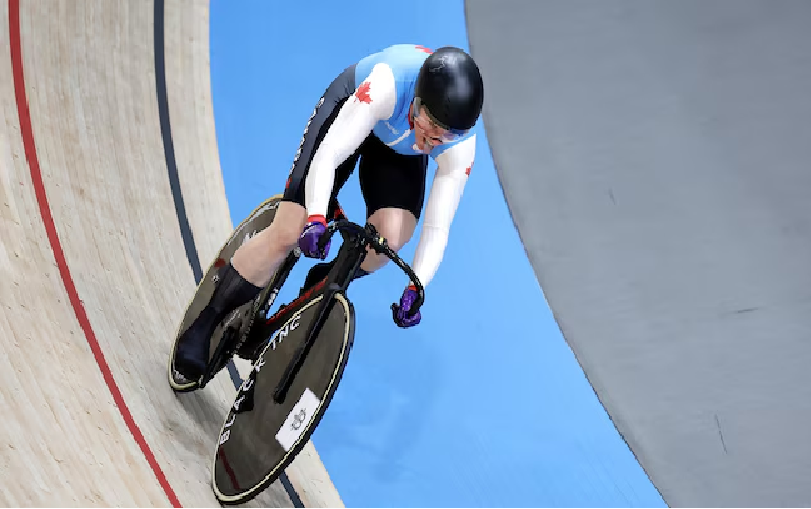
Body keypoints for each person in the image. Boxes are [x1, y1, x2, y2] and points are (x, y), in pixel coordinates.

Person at [174, 44, 484, 382]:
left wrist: (417, 286)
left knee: (389, 241)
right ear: (419, 101)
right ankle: (207, 320)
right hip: (352, 112)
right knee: (290, 228)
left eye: (447, 134)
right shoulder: (387, 84)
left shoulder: (459, 145)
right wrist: (316, 219)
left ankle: (321, 284)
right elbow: (330, 154)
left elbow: (438, 227)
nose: (435, 139)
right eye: (431, 124)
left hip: (397, 152)